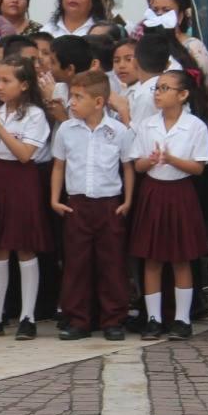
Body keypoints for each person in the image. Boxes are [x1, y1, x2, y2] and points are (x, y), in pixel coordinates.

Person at [51, 71, 135, 340]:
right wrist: (55, 198)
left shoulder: (118, 131)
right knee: (77, 263)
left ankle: (113, 319)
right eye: (71, 97)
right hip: (77, 204)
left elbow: (128, 167)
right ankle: (78, 319)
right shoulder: (66, 130)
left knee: (111, 262)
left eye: (78, 97)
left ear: (99, 102)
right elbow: (59, 165)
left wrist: (128, 200)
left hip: (109, 204)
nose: (72, 103)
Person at [130, 69, 208, 341]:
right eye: (157, 88)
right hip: (154, 191)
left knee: (181, 258)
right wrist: (152, 160)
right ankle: (154, 318)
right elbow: (138, 165)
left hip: (180, 192)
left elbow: (198, 168)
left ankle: (182, 318)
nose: (158, 93)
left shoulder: (195, 126)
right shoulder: (147, 125)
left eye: (165, 88)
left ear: (183, 94)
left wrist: (172, 159)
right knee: (152, 258)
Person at [0, 55, 53, 340]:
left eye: (6, 81)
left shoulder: (34, 114)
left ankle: (27, 316)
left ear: (24, 84)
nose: (0, 86)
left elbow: (24, 154)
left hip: (21, 180)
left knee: (24, 246)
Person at [147, 0, 208, 80]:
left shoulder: (193, 47)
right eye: (155, 10)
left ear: (180, 16)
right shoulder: (147, 44)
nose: (160, 14)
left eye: (166, 10)